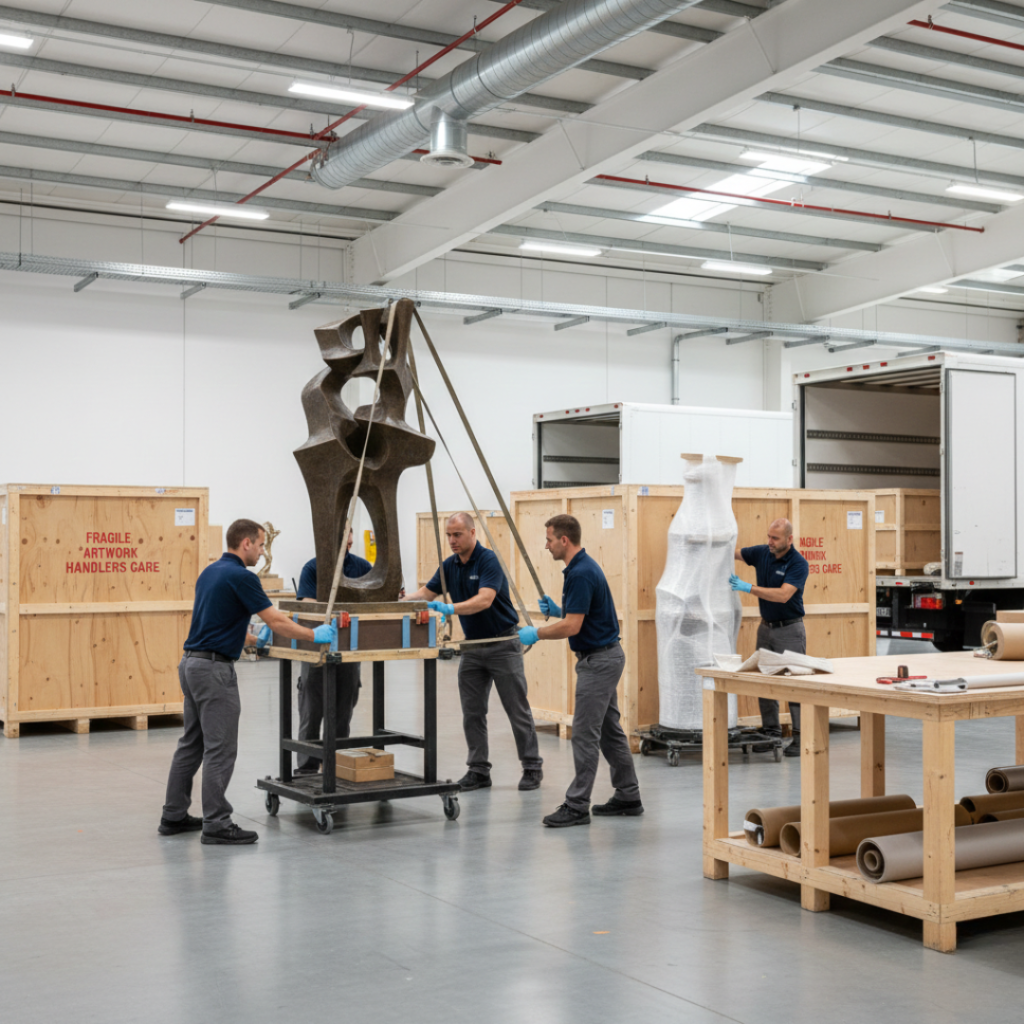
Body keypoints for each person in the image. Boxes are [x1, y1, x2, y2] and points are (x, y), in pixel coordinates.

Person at [159, 519, 338, 844]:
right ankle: (217, 823)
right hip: (214, 671)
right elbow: (276, 619)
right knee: (220, 749)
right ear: (246, 543)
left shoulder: (210, 572)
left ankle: (173, 815)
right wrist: (314, 635)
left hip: (191, 664)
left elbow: (218, 623)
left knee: (191, 744)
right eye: (260, 545)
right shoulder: (243, 577)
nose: (262, 552)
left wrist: (254, 640)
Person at [405, 512, 543, 793]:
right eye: (448, 535)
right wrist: (396, 601)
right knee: (472, 712)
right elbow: (426, 593)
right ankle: (478, 770)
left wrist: (450, 608)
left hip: (503, 645)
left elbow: (485, 599)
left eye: (457, 534)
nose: (452, 540)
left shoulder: (488, 560)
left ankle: (532, 767)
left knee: (517, 709)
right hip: (472, 648)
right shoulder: (449, 566)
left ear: (472, 532)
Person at [521, 514, 642, 827]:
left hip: (598, 662)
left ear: (564, 540)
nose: (546, 546)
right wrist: (558, 611)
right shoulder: (582, 568)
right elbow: (582, 615)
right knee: (609, 731)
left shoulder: (580, 573)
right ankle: (628, 795)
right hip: (605, 657)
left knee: (584, 735)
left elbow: (572, 626)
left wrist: (537, 633)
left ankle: (576, 806)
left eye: (549, 540)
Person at [294, 529, 372, 773]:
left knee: (342, 711)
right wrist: (331, 614)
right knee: (311, 709)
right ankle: (307, 769)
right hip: (318, 648)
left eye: (349, 541)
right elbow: (306, 602)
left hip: (349, 650)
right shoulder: (312, 568)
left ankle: (336, 765)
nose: (346, 546)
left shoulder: (362, 567)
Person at [731, 517, 809, 758]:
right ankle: (771, 733)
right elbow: (734, 553)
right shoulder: (762, 553)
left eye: (775, 538)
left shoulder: (798, 563)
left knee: (795, 684)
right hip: (766, 628)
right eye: (769, 536)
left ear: (789, 539)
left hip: (790, 630)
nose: (770, 542)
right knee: (764, 680)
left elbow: (784, 595)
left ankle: (800, 737)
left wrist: (748, 588)